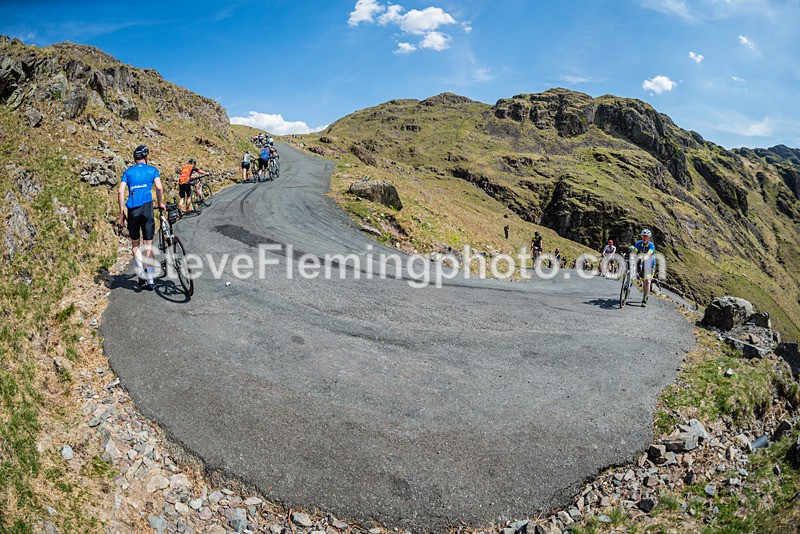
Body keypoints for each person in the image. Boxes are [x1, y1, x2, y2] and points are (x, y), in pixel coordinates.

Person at [118, 145, 165, 291]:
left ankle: (140, 272)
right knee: (148, 245)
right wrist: (160, 203)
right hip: (147, 208)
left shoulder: (128, 172)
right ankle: (150, 279)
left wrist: (121, 213)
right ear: (146, 157)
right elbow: (158, 187)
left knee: (135, 245)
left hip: (132, 210)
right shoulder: (152, 170)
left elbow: (120, 191)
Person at [634, 229, 656, 307]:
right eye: (643, 236)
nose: (644, 237)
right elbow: (634, 252)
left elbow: (649, 253)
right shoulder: (638, 243)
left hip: (650, 264)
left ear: (649, 238)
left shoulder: (651, 245)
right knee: (644, 283)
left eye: (646, 236)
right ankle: (645, 292)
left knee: (648, 282)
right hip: (642, 264)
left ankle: (644, 299)